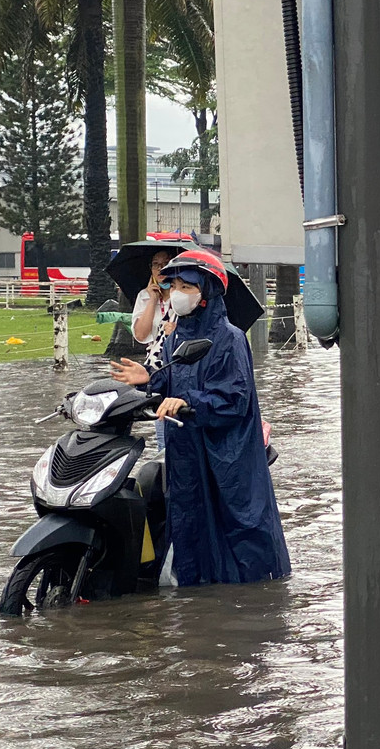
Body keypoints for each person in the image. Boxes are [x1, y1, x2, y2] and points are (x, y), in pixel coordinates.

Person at [109, 250, 292, 587]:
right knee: (190, 517)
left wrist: (188, 401)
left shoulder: (230, 338)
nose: (177, 292)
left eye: (186, 286)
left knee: (237, 523)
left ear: (206, 292)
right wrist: (146, 378)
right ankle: (197, 591)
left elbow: (234, 399)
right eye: (174, 284)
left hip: (226, 452)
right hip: (187, 447)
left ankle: (252, 592)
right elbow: (168, 377)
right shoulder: (176, 335)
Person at [131, 248, 178, 372]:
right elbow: (141, 335)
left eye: (166, 263)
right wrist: (152, 300)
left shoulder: (182, 295)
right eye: (155, 264)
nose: (160, 268)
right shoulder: (144, 296)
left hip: (178, 361)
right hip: (155, 362)